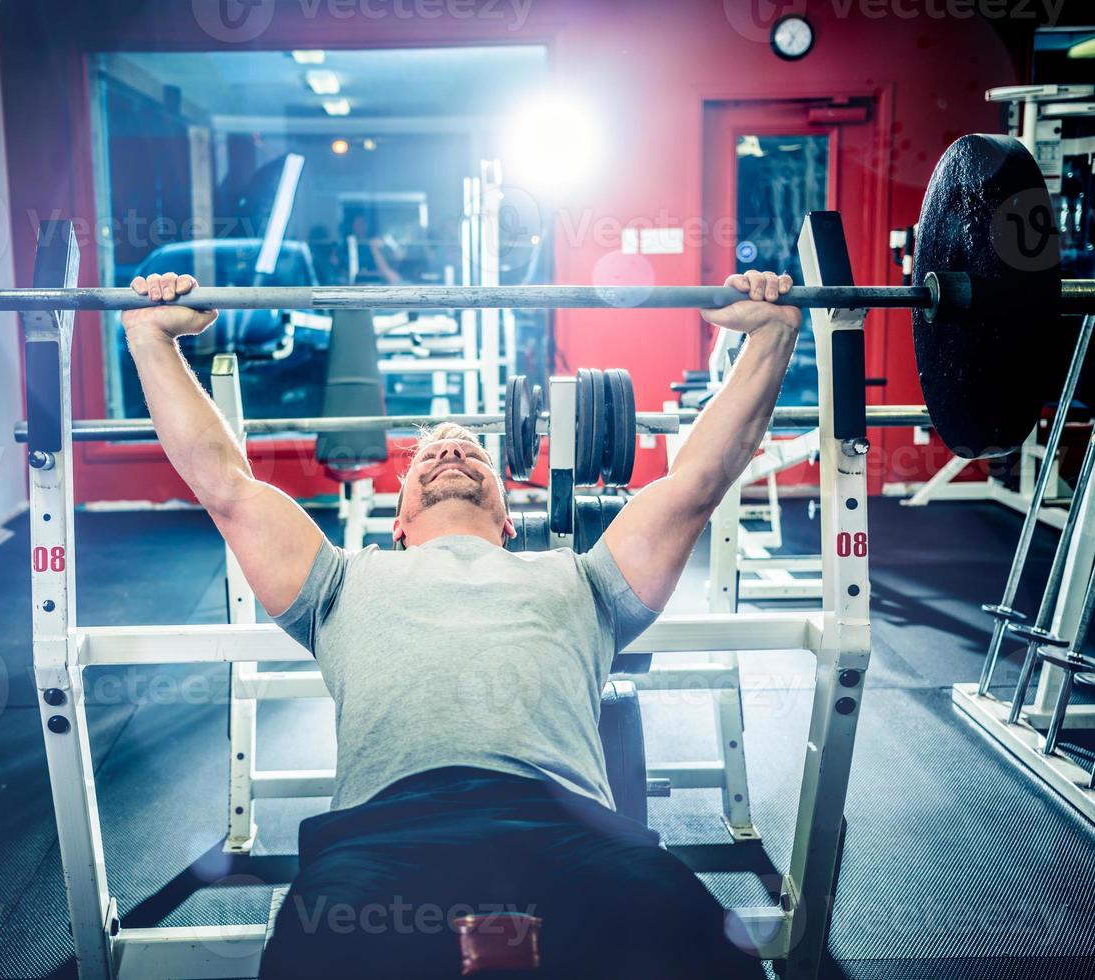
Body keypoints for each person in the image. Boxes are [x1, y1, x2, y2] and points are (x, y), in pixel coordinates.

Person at [121, 270, 801, 979]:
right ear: (397, 524)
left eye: (472, 449)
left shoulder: (582, 577)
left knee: (707, 951)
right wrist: (151, 338)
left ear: (510, 521)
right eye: (429, 455)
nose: (451, 450)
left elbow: (695, 483)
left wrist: (771, 334)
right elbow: (226, 485)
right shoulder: (338, 581)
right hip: (384, 833)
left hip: (573, 829)